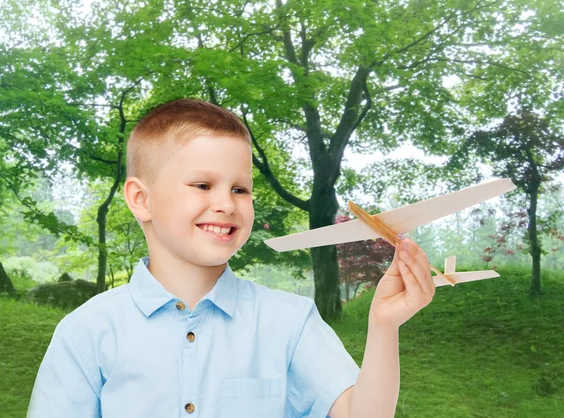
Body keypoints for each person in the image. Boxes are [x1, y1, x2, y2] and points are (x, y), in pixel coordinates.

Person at [27, 98, 436, 418]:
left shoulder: (290, 322)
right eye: (203, 184)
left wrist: (384, 325)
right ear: (141, 199)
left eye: (240, 189)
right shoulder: (85, 332)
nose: (226, 203)